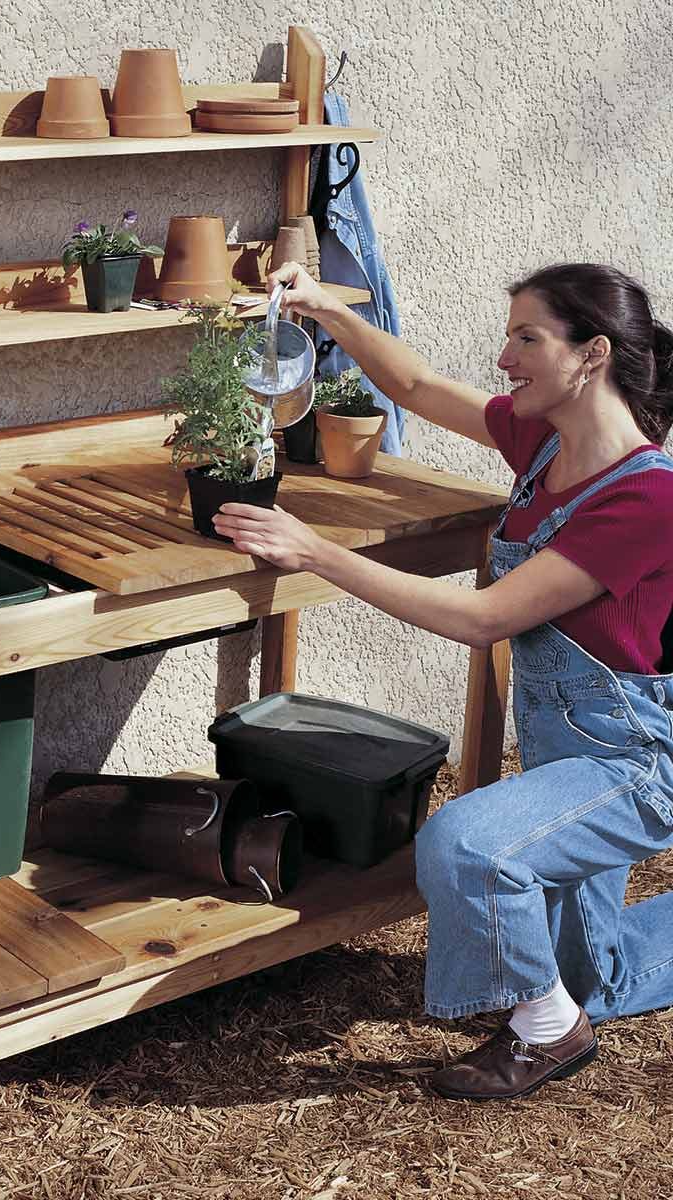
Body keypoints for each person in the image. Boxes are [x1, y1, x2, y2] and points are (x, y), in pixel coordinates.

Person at [213, 261, 673, 1100]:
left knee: (464, 844)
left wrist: (315, 551)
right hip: (562, 762)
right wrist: (323, 307)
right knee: (599, 975)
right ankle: (573, 999)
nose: (504, 358)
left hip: (628, 769)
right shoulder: (546, 442)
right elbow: (419, 385)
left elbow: (484, 618)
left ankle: (548, 1031)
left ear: (592, 354)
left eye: (526, 338)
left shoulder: (646, 500)